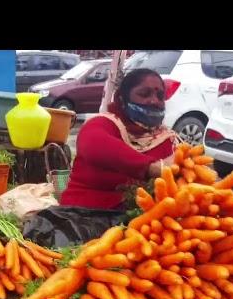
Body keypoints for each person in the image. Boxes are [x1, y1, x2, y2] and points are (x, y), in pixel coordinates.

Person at [60, 68, 179, 210]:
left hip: (144, 223)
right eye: (144, 94)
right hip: (83, 217)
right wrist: (151, 168)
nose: (154, 101)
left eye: (160, 95)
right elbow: (93, 144)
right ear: (122, 99)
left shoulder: (166, 138)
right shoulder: (104, 124)